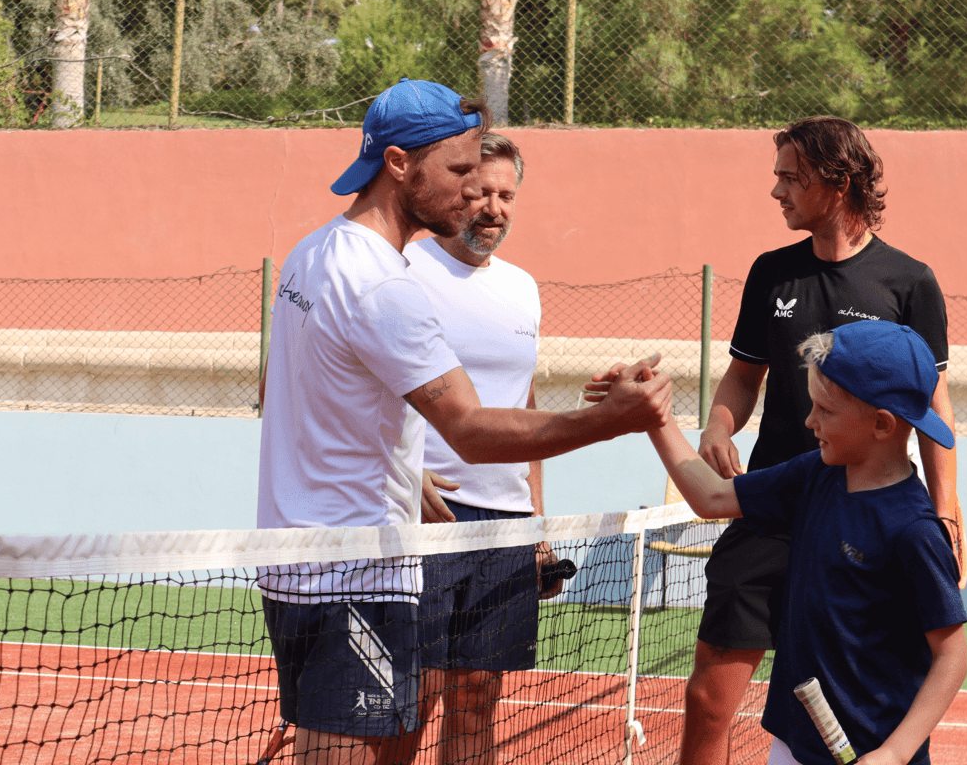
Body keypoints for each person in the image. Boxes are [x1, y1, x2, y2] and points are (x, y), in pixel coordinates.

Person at [256, 79, 673, 765]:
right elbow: (472, 431)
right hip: (355, 575)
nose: (470, 191)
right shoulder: (387, 287)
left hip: (301, 567)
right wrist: (616, 420)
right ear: (398, 165)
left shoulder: (314, 251)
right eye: (455, 172)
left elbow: (285, 389)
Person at [684, 116, 966, 764]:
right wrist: (718, 424)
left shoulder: (909, 281)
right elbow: (740, 377)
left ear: (836, 184)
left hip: (859, 520)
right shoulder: (770, 273)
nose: (776, 191)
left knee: (867, 695)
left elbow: (932, 404)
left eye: (790, 178)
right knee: (708, 701)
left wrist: (946, 510)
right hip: (772, 505)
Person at [636, 319, 967, 765]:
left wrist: (893, 753)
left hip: (872, 753)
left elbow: (953, 657)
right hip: (794, 745)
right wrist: (656, 419)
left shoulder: (914, 529)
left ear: (882, 424)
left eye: (824, 411)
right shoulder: (815, 473)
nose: (810, 420)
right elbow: (711, 496)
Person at [401, 132, 552, 765]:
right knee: (413, 698)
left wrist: (537, 517)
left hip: (507, 528)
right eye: (479, 192)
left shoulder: (523, 288)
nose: (493, 207)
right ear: (454, 192)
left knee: (477, 699)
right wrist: (405, 477)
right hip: (427, 524)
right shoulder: (405, 270)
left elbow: (526, 406)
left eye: (505, 195)